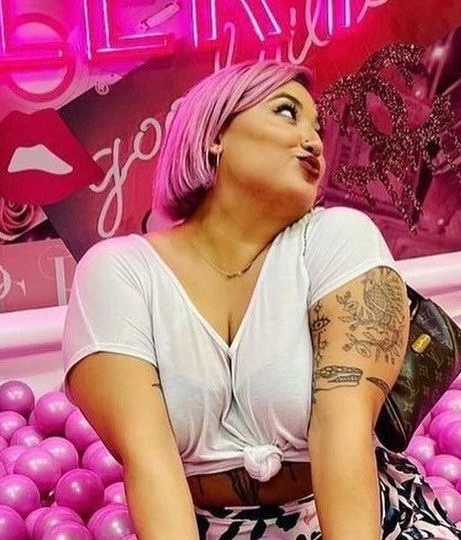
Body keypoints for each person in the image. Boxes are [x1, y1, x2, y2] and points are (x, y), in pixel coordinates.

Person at [62, 61, 461, 539]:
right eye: (287, 113)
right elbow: (149, 458)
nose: (314, 141)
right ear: (214, 135)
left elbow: (344, 431)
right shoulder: (118, 272)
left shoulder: (338, 239)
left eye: (318, 128)